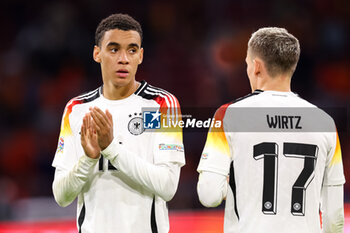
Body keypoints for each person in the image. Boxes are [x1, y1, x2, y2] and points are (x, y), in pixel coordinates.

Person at [197, 27, 345, 233]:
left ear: (256, 66)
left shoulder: (229, 115)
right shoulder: (325, 122)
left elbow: (209, 195)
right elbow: (334, 218)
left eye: (247, 64)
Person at [52, 13, 185, 233]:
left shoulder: (161, 104)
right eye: (114, 49)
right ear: (97, 53)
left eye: (132, 50)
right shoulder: (76, 109)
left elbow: (167, 187)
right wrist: (88, 159)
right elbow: (61, 196)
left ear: (140, 56)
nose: (124, 58)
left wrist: (111, 149)